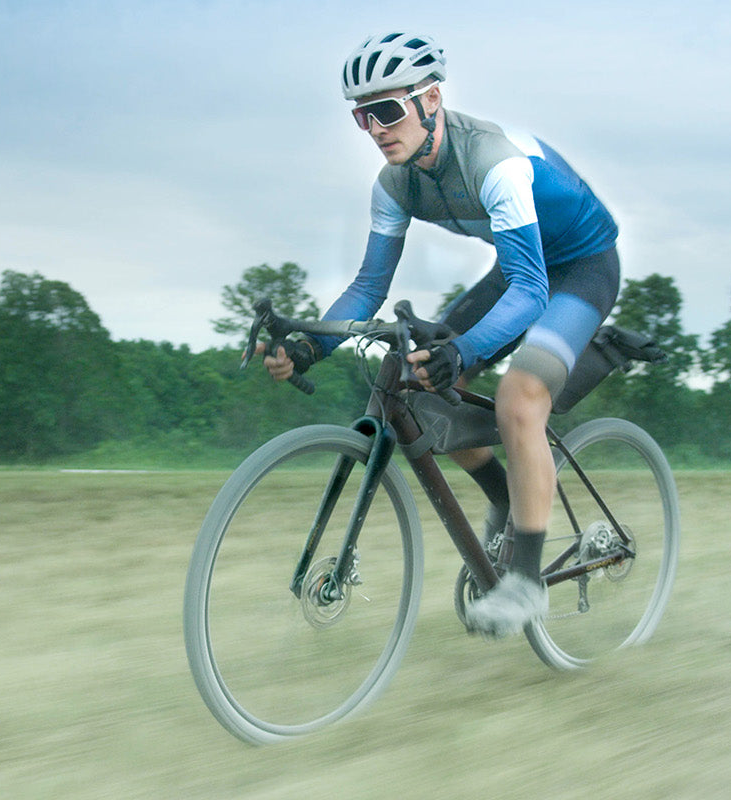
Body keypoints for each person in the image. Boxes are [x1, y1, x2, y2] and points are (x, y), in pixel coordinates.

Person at [258, 31, 621, 637]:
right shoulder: (395, 183)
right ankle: (506, 498)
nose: (374, 128)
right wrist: (309, 346)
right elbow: (369, 285)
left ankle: (527, 583)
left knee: (518, 398)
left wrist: (465, 349)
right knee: (423, 396)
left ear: (430, 100)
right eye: (361, 116)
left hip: (580, 270)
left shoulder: (494, 163)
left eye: (387, 110)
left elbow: (532, 292)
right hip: (518, 268)